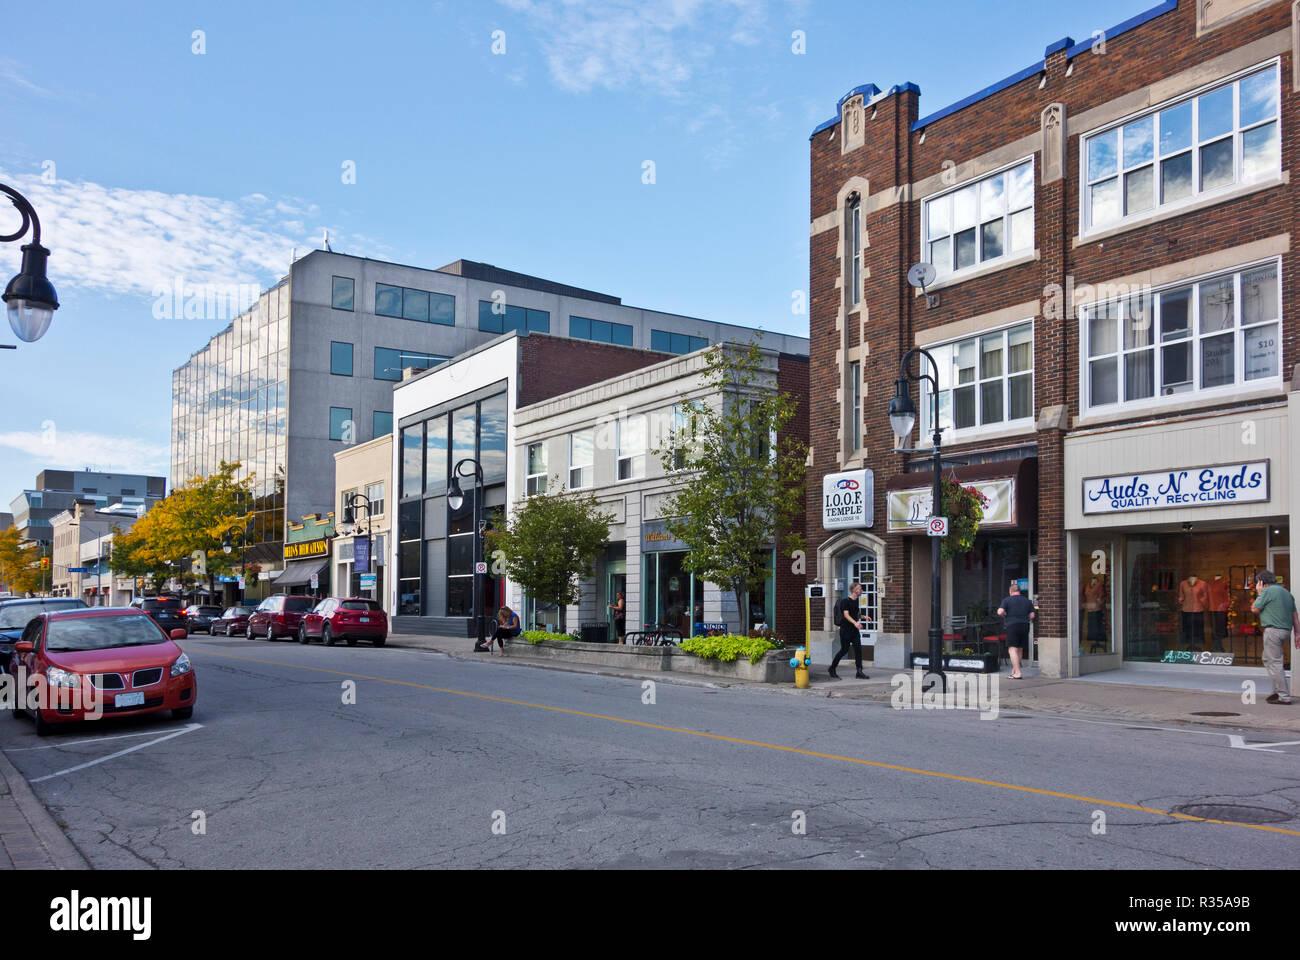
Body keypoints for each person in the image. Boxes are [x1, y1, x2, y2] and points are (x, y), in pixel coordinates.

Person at [1250, 571, 1295, 705]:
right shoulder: (1286, 592)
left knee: (1274, 662)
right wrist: (1297, 633)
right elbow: (1295, 615)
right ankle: (1276, 691)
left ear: (1262, 582)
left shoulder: (1267, 591)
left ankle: (1283, 696)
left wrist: (1259, 593)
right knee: (1267, 659)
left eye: (1258, 583)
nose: (1257, 585)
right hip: (1285, 631)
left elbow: (1255, 609)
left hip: (1273, 631)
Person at [829, 582, 870, 680]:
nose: (862, 591)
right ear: (855, 590)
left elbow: (855, 615)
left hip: (854, 630)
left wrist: (864, 617)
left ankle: (859, 671)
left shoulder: (855, 601)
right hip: (845, 630)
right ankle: (832, 668)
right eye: (860, 589)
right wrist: (855, 623)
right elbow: (846, 614)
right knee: (844, 650)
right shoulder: (845, 601)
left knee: (858, 650)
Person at [997, 580, 1035, 679]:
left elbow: (1000, 612)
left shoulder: (1007, 600)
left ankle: (1018, 673)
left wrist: (1005, 615)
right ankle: (1014, 671)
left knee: (1012, 649)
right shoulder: (1027, 601)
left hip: (1012, 625)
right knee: (1020, 649)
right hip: (1025, 625)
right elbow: (1032, 615)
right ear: (1019, 591)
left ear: (1010, 591)